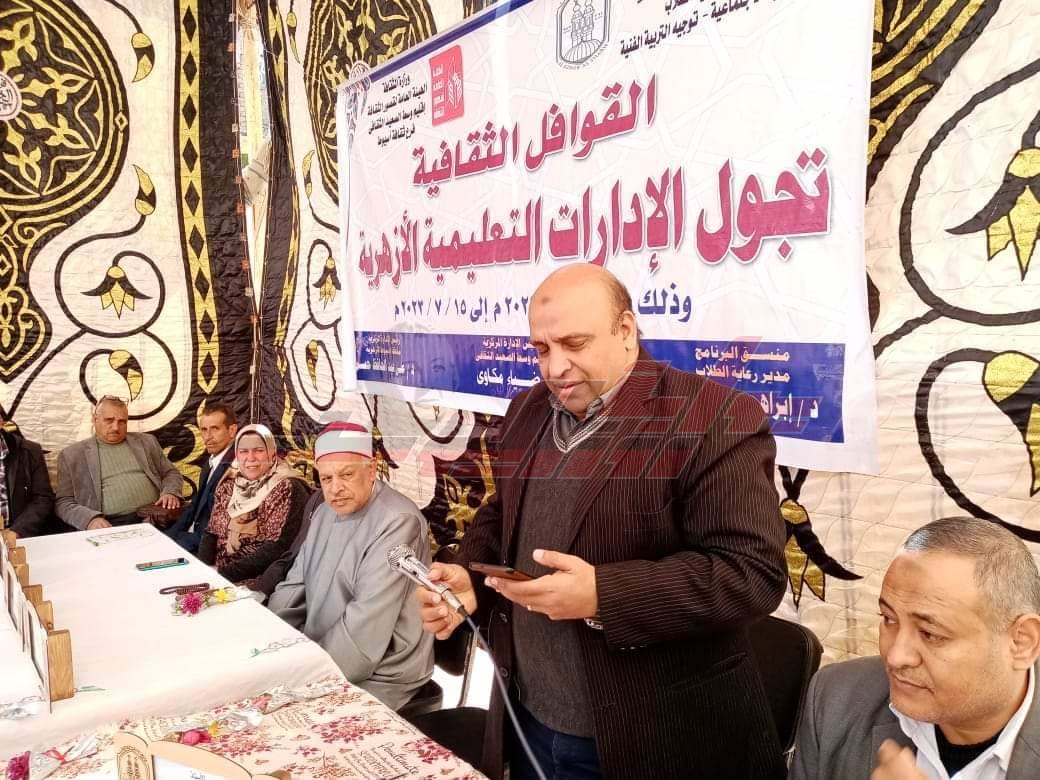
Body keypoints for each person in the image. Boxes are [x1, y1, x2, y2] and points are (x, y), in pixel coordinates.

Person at [415, 265, 788, 779]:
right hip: (528, 716)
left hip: (652, 739)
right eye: (541, 349)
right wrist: (471, 575)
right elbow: (506, 511)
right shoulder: (526, 410)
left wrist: (602, 595)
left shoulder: (713, 418)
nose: (555, 367)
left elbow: (751, 573)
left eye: (575, 343)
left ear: (626, 330)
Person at [789, 516, 1040, 780]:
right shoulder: (835, 697)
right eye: (889, 619)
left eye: (930, 634)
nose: (895, 657)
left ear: (1021, 642)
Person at [268, 421, 434, 711]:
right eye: (326, 478)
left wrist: (308, 675)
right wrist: (272, 645)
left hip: (378, 670)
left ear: (371, 469)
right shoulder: (324, 512)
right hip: (319, 652)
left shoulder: (397, 521)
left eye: (346, 475)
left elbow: (367, 625)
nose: (335, 488)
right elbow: (293, 587)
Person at [197, 424, 309, 586]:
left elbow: (277, 547)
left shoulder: (286, 487)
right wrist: (202, 571)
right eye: (243, 451)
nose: (250, 458)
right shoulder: (229, 485)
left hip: (257, 580)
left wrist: (222, 576)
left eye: (258, 450)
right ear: (237, 455)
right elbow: (211, 533)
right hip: (218, 574)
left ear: (271, 453)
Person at [55, 396, 183, 530]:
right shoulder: (72, 455)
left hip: (157, 516)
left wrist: (171, 492)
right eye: (109, 420)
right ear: (95, 419)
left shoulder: (146, 442)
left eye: (122, 421)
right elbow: (63, 502)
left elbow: (171, 472)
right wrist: (89, 520)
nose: (116, 427)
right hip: (111, 524)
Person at [167, 402, 239, 553]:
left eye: (215, 429)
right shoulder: (210, 462)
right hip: (191, 537)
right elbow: (194, 507)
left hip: (206, 547)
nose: (208, 437)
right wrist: (167, 538)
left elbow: (220, 528)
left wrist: (177, 542)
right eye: (204, 430)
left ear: (232, 430)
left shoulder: (235, 467)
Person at [0, 417, 55, 538]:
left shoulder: (30, 451)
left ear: (1, 421)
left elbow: (42, 498)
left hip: (18, 533)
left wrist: (18, 530)